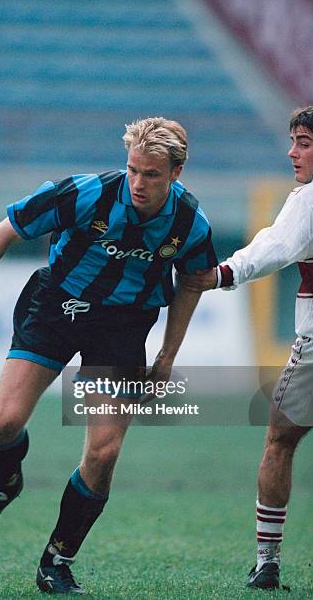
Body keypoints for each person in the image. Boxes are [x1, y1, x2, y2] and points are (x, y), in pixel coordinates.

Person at [0, 117, 217, 594]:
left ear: (177, 172)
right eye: (133, 170)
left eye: (152, 175)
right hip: (57, 306)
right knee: (3, 425)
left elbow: (192, 282)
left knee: (104, 452)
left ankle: (57, 560)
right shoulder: (85, 193)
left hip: (123, 326)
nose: (138, 184)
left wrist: (167, 356)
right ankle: (3, 486)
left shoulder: (191, 223)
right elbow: (6, 230)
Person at [182, 106, 313, 590]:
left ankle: (268, 561)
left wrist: (221, 273)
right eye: (293, 140)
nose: (291, 151)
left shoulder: (308, 200)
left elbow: (274, 248)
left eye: (303, 141)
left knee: (280, 440)